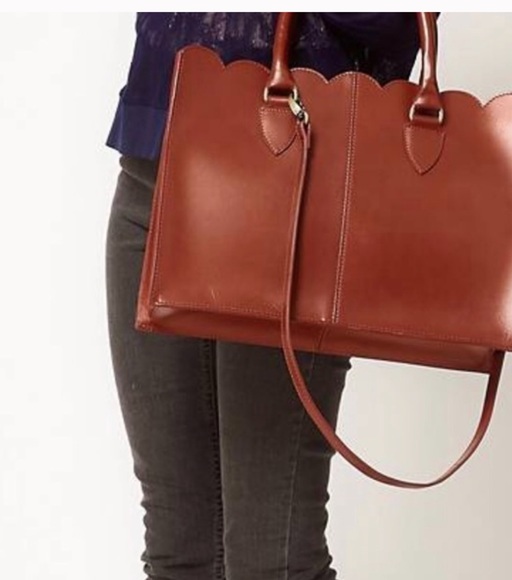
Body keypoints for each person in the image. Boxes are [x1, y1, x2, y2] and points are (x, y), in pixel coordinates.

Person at [105, 13, 421, 580]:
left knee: (270, 554)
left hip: (298, 185)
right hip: (155, 166)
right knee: (178, 546)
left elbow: (396, 21)